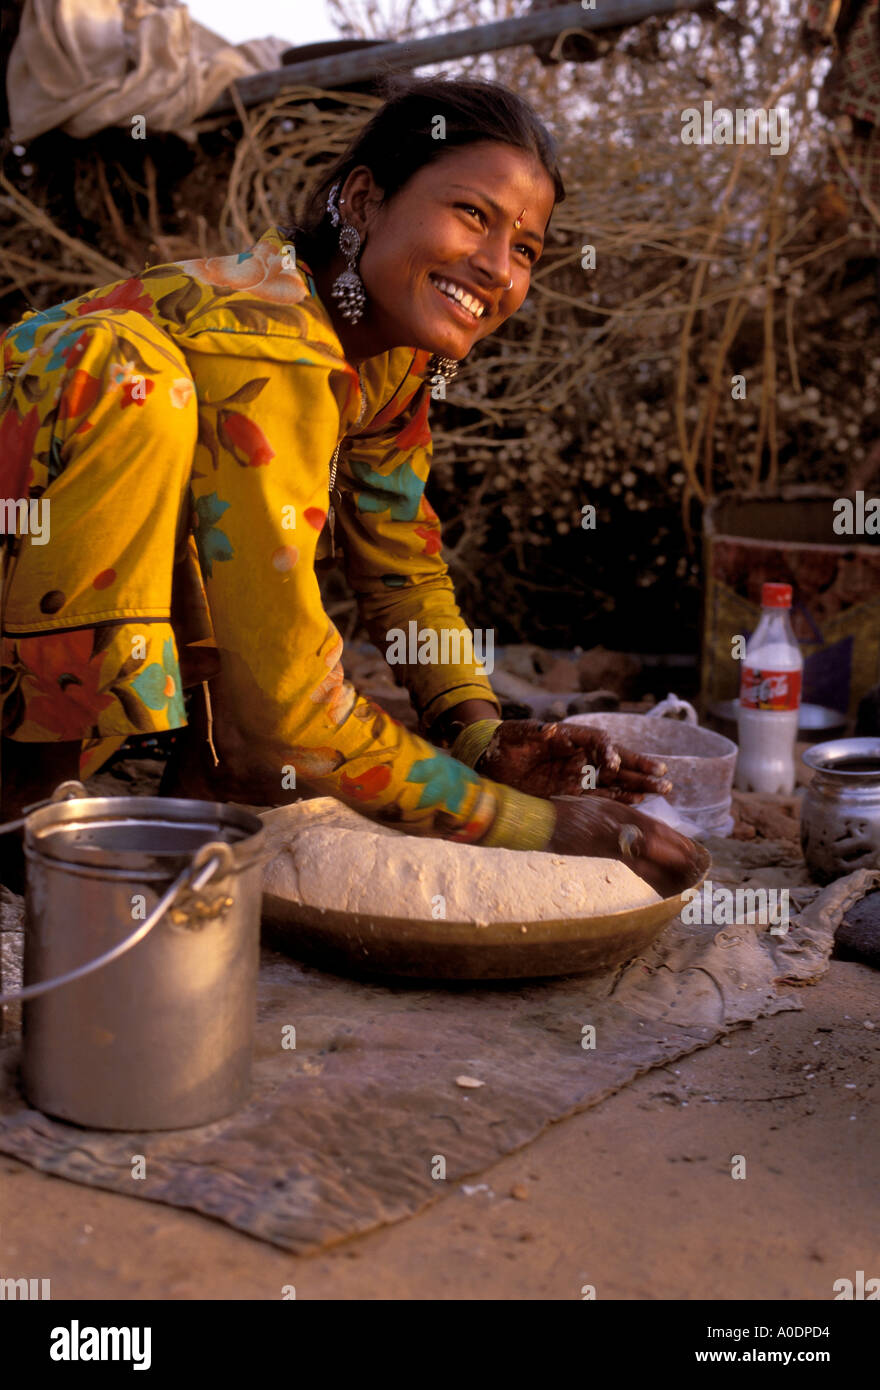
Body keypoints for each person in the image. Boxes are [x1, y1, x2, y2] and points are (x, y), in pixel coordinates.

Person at [0, 75, 700, 896]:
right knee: (129, 377)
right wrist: (536, 827)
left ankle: (210, 782)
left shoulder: (389, 359)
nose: (496, 268)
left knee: (243, 569)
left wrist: (481, 735)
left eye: (526, 247)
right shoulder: (266, 340)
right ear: (363, 201)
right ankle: (26, 804)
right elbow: (290, 709)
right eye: (472, 215)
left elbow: (402, 567)